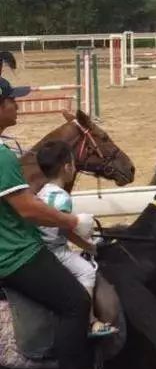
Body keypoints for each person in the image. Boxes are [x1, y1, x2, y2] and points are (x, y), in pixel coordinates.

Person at [0, 77, 123, 369]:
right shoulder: (1, 156)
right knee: (74, 301)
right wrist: (70, 222)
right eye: (11, 99)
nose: (17, 104)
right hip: (14, 254)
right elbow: (27, 208)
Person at [36, 140, 118, 338]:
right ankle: (90, 322)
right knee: (87, 271)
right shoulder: (62, 197)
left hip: (40, 248)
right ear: (67, 167)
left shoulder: (41, 193)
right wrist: (89, 246)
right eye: (73, 164)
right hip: (57, 251)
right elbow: (66, 231)